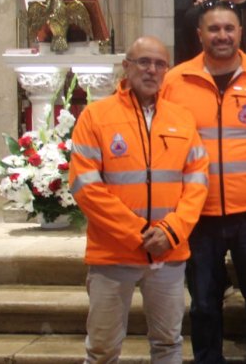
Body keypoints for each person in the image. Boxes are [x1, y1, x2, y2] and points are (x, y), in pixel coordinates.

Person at [69, 36, 208, 364]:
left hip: (168, 253)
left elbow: (198, 182)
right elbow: (85, 184)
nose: (152, 70)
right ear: (126, 67)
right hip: (112, 254)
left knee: (168, 343)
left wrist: (172, 231)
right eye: (143, 62)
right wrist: (140, 234)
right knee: (102, 349)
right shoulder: (96, 116)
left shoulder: (182, 118)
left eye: (160, 64)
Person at [160, 2, 246, 364]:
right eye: (213, 29)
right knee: (202, 304)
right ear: (199, 34)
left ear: (241, 33)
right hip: (197, 214)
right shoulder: (175, 81)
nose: (222, 36)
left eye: (229, 29)